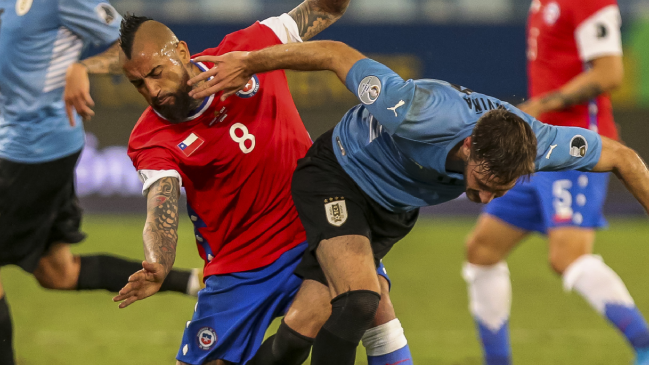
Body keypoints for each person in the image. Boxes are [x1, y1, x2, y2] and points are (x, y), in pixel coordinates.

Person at [188, 38, 649, 365]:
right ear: (469, 146)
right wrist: (251, 63)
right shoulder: (418, 109)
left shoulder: (537, 143)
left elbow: (624, 158)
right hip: (338, 176)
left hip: (391, 212)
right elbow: (335, 53)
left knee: (298, 334)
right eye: (484, 183)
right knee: (361, 301)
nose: (486, 199)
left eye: (501, 191)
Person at [112, 4, 413, 364]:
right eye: (138, 84)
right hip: (239, 265)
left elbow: (325, 8)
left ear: (181, 52)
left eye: (156, 74)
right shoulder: (149, 137)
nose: (152, 90)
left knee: (371, 304)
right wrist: (158, 260)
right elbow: (160, 201)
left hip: (315, 232)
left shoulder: (247, 50)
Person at [0, 1, 201, 364]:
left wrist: (82, 67)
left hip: (34, 151)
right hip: (14, 147)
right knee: (57, 272)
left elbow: (133, 42)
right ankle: (192, 282)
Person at [460, 0, 649, 364]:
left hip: (572, 150)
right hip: (535, 147)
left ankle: (644, 343)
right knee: (482, 250)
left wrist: (542, 103)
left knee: (568, 256)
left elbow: (610, 73)